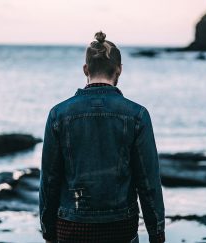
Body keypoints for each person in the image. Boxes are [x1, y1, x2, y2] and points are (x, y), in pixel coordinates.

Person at [39, 31, 165, 243]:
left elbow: (50, 180)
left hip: (71, 227)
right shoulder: (137, 115)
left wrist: (47, 229)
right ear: (119, 70)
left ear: (85, 69)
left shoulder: (58, 114)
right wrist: (157, 232)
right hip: (120, 228)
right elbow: (148, 181)